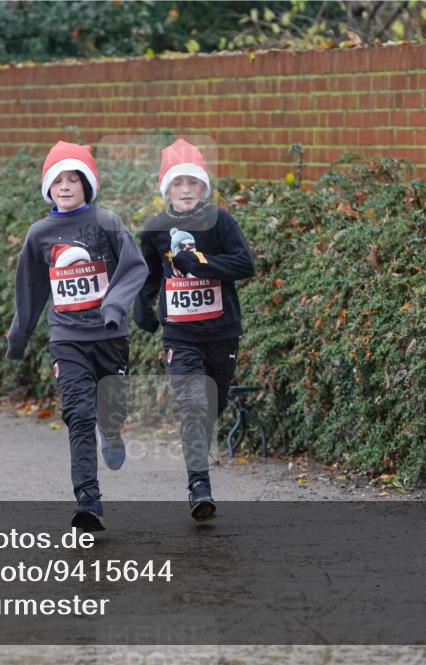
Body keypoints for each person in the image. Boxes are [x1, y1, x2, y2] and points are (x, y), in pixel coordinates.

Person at [6, 141, 148, 532]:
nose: (65, 186)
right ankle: (88, 500)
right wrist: (18, 338)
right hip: (66, 339)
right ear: (47, 187)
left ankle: (113, 431)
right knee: (78, 415)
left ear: (87, 184)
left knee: (109, 410)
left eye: (73, 179)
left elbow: (135, 267)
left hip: (109, 335)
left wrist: (114, 305)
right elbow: (30, 290)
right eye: (57, 179)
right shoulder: (40, 234)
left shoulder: (107, 222)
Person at [134, 139, 256, 521]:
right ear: (166, 190)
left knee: (210, 408)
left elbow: (244, 264)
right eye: (177, 184)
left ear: (203, 187)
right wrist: (143, 305)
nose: (185, 191)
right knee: (192, 405)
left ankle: (199, 456)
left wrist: (201, 263)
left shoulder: (220, 221)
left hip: (222, 333)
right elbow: (149, 272)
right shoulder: (156, 229)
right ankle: (198, 486)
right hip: (180, 335)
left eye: (192, 183)